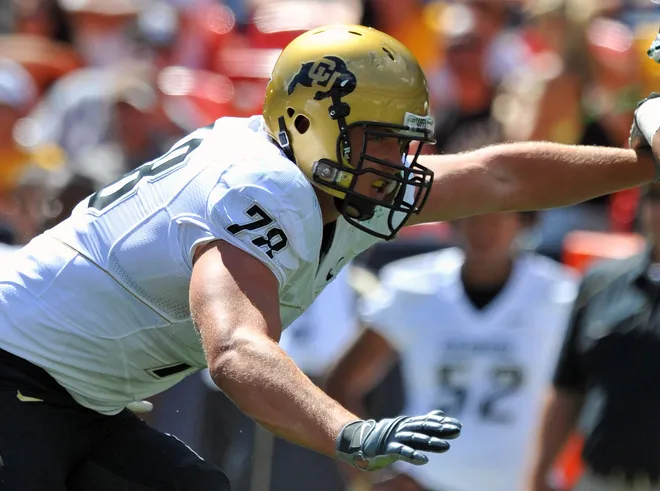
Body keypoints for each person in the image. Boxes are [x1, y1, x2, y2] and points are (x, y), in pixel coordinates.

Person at [0, 23, 657, 491]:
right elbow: (235, 350)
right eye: (375, 138)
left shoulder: (328, 178)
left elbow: (499, 177)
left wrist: (640, 163)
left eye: (400, 141)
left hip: (74, 393)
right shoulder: (263, 187)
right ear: (311, 122)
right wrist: (348, 429)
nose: (394, 161)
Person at [326, 212, 579, 491]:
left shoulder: (561, 295)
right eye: (474, 214)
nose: (485, 228)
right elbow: (342, 383)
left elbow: (582, 397)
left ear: (525, 219)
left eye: (498, 215)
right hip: (427, 479)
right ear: (456, 218)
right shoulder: (413, 287)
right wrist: (366, 472)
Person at [525, 181, 660, 491]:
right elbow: (567, 388)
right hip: (602, 479)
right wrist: (539, 474)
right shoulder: (600, 282)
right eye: (654, 196)